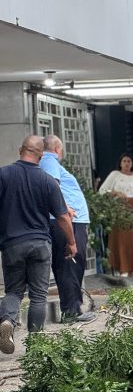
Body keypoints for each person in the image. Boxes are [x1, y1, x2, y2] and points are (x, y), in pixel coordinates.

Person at [0, 136, 77, 354]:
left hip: (12, 244)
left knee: (14, 290)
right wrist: (72, 243)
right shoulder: (46, 180)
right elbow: (63, 217)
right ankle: (35, 346)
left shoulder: (3, 174)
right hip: (41, 243)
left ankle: (8, 320)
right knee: (38, 295)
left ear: (20, 150)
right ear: (41, 155)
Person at [40, 135, 96, 323]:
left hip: (66, 220)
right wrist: (63, 208)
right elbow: (52, 185)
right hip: (66, 221)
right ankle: (72, 311)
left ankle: (73, 309)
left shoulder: (48, 161)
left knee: (70, 264)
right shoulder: (49, 160)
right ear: (57, 148)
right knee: (69, 264)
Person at [98, 153, 133, 277]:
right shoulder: (114, 175)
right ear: (120, 163)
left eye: (129, 161)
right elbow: (102, 190)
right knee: (120, 239)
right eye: (124, 161)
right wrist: (115, 193)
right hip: (119, 209)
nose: (126, 163)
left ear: (132, 163)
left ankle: (132, 269)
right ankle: (121, 269)